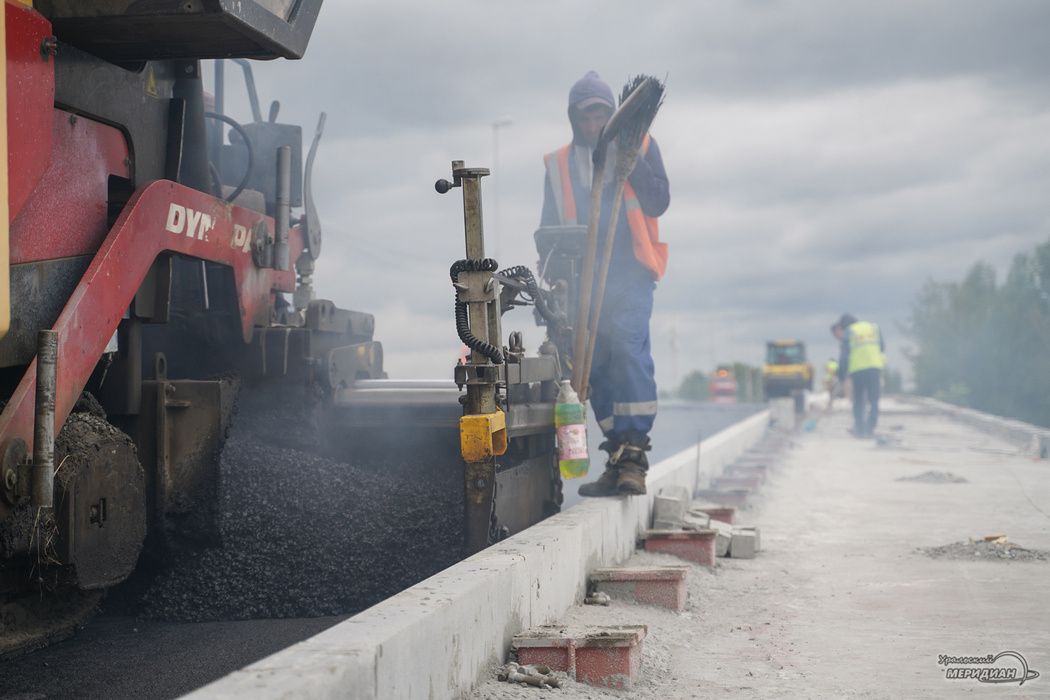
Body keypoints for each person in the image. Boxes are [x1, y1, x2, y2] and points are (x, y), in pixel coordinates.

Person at [541, 70, 670, 496]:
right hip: (583, 281)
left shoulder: (640, 143)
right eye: (585, 117)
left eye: (600, 115)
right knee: (590, 368)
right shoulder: (559, 163)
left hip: (630, 273)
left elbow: (658, 201)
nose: (594, 124)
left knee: (628, 351)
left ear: (613, 114)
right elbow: (548, 229)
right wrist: (554, 283)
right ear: (574, 119)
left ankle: (635, 455)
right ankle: (615, 457)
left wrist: (632, 168)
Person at [833, 313, 885, 437]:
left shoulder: (849, 332)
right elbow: (882, 347)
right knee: (873, 399)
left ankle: (860, 427)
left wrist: (841, 375)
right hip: (874, 368)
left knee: (858, 400)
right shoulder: (873, 328)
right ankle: (870, 428)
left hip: (858, 370)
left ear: (845, 326)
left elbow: (844, 357)